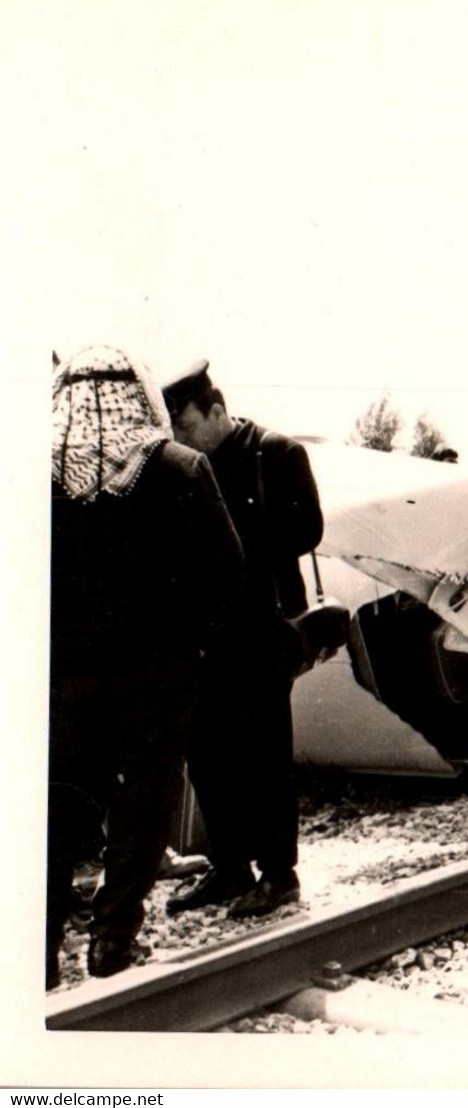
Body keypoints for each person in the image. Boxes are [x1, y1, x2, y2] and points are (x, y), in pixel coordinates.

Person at [48, 346, 249, 985]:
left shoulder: (35, 475)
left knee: (58, 805)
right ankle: (112, 940)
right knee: (144, 798)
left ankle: (37, 947)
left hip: (66, 678)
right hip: (159, 672)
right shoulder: (180, 467)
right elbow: (228, 574)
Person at [161, 361, 328, 919]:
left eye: (185, 425)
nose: (180, 438)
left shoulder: (276, 454)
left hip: (263, 628)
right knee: (206, 749)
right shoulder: (185, 468)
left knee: (264, 750)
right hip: (206, 632)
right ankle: (230, 866)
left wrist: (233, 540)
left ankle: (279, 875)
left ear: (215, 410)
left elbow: (308, 531)